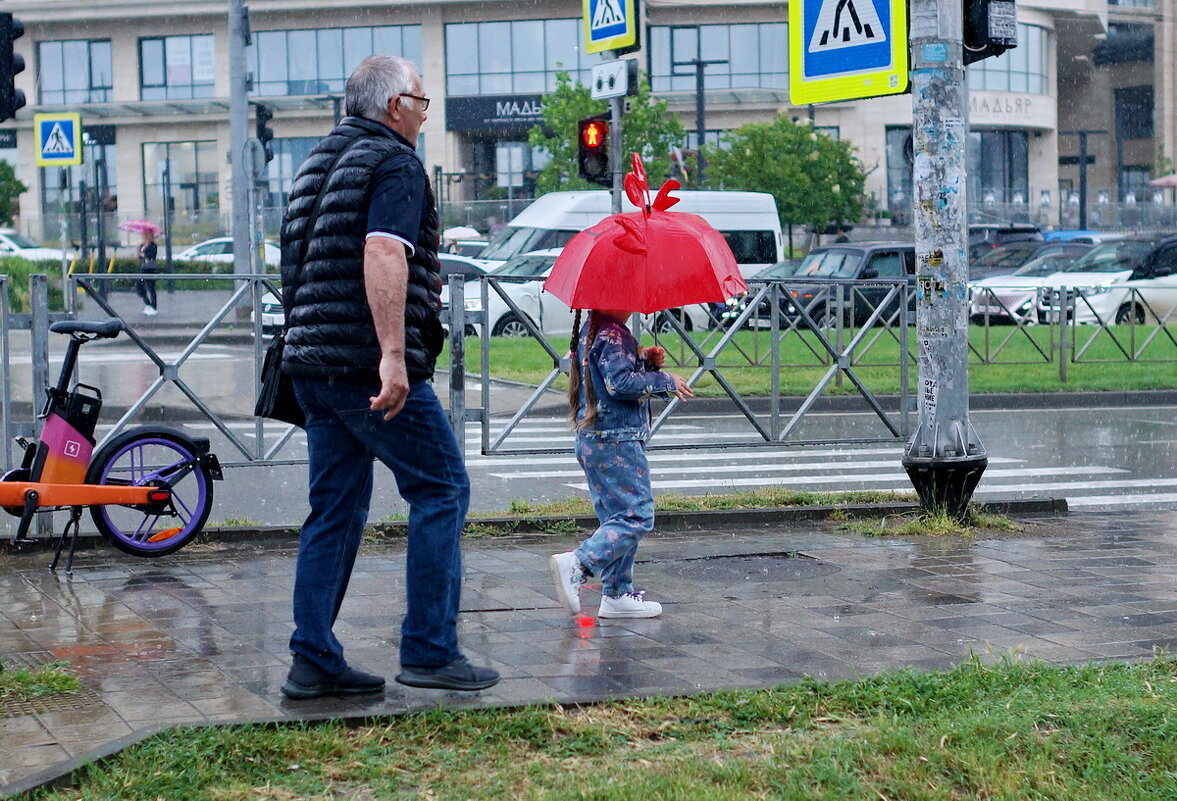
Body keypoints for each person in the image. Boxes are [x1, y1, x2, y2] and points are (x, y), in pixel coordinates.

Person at [278, 54, 499, 699]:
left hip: (313, 364)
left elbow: (298, 267)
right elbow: (382, 251)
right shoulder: (395, 163)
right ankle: (430, 648)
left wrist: (311, 345)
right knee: (442, 488)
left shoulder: (316, 163)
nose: (426, 115)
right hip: (364, 366)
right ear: (396, 105)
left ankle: (312, 656)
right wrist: (393, 356)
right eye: (423, 102)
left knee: (335, 506)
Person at [549, 308, 693, 619]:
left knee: (616, 519)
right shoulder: (613, 335)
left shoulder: (594, 331)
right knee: (636, 516)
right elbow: (620, 384)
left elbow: (607, 378)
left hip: (596, 439)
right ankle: (579, 563)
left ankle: (616, 592)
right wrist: (662, 378)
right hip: (617, 441)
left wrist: (644, 363)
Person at [136, 230, 158, 316]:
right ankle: (148, 304)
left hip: (150, 269)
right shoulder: (142, 245)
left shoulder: (153, 245)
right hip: (143, 268)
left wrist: (143, 254)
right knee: (139, 288)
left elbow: (152, 256)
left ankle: (154, 307)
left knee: (151, 288)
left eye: (145, 234)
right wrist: (139, 251)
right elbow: (140, 257)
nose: (143, 236)